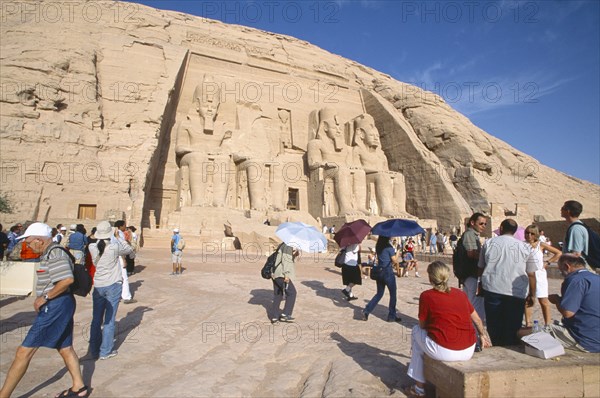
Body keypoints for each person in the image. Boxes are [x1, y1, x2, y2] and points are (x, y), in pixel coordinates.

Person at [0, 223, 88, 398]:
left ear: (39, 240)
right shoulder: (49, 252)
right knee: (65, 347)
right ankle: (79, 387)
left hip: (56, 305)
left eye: (29, 241)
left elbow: (66, 280)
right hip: (60, 304)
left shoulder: (54, 253)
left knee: (23, 351)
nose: (27, 245)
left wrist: (45, 297)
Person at [404, 261, 491, 398]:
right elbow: (477, 320)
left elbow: (422, 325)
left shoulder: (426, 296)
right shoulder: (460, 294)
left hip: (445, 350)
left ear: (430, 278)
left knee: (415, 331)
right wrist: (482, 335)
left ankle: (419, 388)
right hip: (468, 349)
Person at [478, 219, 537, 346]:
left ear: (501, 228)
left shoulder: (488, 243)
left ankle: (498, 345)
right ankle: (509, 347)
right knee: (513, 325)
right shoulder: (525, 247)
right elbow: (531, 274)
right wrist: (532, 294)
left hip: (492, 288)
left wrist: (480, 284)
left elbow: (481, 267)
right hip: (516, 291)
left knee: (494, 323)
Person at [87, 221, 136, 360]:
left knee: (96, 319)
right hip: (113, 284)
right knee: (109, 320)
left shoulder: (92, 246)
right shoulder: (114, 246)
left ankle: (94, 349)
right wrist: (118, 237)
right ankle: (105, 351)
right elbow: (129, 250)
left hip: (98, 284)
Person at [547, 254, 599, 353]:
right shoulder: (596, 278)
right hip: (596, 335)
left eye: (560, 270)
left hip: (583, 339)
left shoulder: (575, 280)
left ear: (567, 266)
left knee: (524, 333)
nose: (561, 273)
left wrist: (557, 300)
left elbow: (568, 313)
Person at [523, 224, 562, 328]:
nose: (529, 235)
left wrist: (547, 262)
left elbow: (558, 253)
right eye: (527, 233)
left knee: (543, 300)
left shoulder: (541, 245)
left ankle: (547, 323)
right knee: (528, 299)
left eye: (532, 233)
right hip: (526, 275)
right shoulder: (522, 245)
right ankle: (528, 323)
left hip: (539, 275)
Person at [362, 236, 402, 322]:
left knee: (379, 293)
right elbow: (394, 260)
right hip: (387, 272)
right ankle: (391, 315)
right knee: (393, 294)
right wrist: (398, 250)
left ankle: (367, 310)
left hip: (379, 271)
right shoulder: (389, 247)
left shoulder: (378, 246)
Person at [460, 213, 487, 323]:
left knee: (469, 303)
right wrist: (486, 256)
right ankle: (477, 331)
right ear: (472, 223)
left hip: (469, 273)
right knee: (476, 305)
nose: (483, 226)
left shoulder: (473, 234)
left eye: (485, 224)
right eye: (481, 223)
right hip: (472, 273)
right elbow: (471, 253)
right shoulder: (470, 234)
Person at [271, 243, 299, 323]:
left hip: (275, 274)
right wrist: (287, 275)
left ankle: (274, 317)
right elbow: (286, 261)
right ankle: (285, 314)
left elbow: (283, 258)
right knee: (292, 293)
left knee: (278, 295)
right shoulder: (288, 245)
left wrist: (294, 255)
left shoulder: (282, 244)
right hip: (282, 274)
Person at [113, 220, 136, 304]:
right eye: (124, 225)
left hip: (113, 256)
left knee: (115, 277)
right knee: (124, 277)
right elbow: (121, 247)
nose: (125, 227)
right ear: (120, 226)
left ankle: (115, 295)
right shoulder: (120, 234)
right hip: (120, 256)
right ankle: (126, 297)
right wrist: (123, 259)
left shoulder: (113, 233)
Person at [561, 200, 590, 265]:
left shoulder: (576, 229)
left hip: (577, 270)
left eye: (562, 208)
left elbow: (576, 254)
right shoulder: (575, 227)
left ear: (568, 211)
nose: (561, 210)